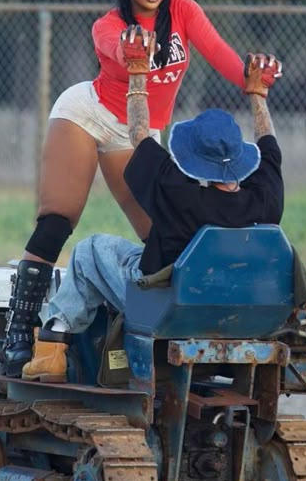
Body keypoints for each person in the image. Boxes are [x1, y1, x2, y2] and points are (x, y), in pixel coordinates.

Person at [0, 0, 255, 378]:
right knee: (58, 220)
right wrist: (132, 48)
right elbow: (115, 49)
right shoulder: (110, 24)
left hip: (137, 132)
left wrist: (253, 77)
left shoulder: (184, 12)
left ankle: (170, 334)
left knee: (162, 232)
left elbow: (220, 55)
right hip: (89, 113)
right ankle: (19, 333)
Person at [20, 27, 283, 382]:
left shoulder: (178, 193)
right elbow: (269, 143)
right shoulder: (266, 195)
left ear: (191, 157)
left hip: (170, 310)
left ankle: (52, 344)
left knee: (91, 250)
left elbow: (138, 133)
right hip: (240, 307)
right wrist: (258, 94)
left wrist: (138, 73)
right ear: (238, 155)